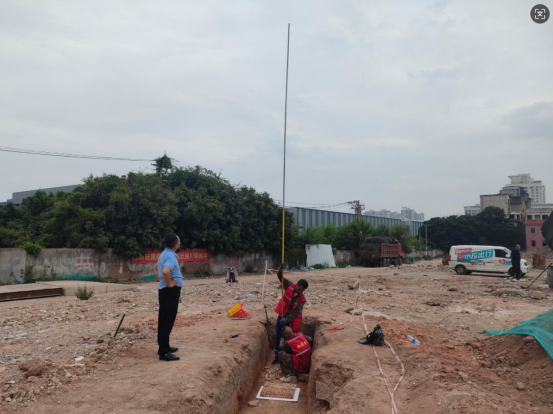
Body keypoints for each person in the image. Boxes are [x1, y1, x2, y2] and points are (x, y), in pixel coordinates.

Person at [153, 233, 183, 361]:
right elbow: (165, 271)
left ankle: (164, 346)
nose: (180, 242)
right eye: (179, 241)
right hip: (169, 291)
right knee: (167, 320)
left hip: (165, 291)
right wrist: (169, 284)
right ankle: (164, 352)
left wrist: (160, 279)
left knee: (164, 319)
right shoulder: (170, 256)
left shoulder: (164, 253)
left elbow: (155, 268)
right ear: (176, 245)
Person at [273, 264, 309, 364]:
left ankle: (287, 357)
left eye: (302, 291)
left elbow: (295, 313)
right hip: (283, 314)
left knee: (290, 337)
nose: (300, 291)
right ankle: (277, 357)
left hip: (292, 320)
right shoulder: (289, 284)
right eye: (299, 289)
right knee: (279, 335)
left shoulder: (302, 299)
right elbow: (280, 277)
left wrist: (286, 320)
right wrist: (280, 269)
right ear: (296, 285)